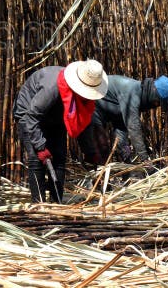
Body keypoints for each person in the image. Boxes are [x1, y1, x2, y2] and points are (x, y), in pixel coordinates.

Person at [13, 59, 108, 203]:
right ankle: (39, 205)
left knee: (59, 159)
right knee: (36, 160)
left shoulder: (84, 99)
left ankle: (56, 203)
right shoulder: (52, 87)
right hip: (29, 115)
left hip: (55, 118)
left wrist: (89, 151)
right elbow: (32, 116)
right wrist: (40, 146)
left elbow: (83, 124)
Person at [77, 75, 168, 165]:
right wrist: (145, 160)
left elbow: (121, 129)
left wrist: (126, 159)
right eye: (157, 102)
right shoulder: (132, 93)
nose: (156, 105)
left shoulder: (137, 98)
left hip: (103, 112)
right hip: (89, 108)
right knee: (100, 149)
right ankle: (94, 181)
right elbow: (133, 128)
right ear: (154, 91)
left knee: (116, 149)